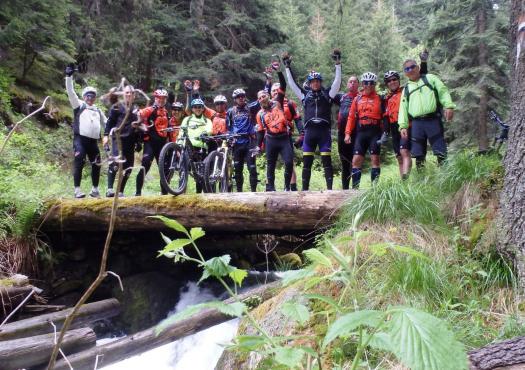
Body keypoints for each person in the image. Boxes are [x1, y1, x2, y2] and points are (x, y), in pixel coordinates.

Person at [283, 49, 342, 190]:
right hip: (310, 132)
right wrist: (287, 67)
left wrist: (338, 64)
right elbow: (292, 84)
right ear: (309, 84)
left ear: (320, 82)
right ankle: (304, 191)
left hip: (323, 132)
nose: (315, 83)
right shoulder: (304, 95)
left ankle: (330, 191)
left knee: (327, 162)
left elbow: (337, 82)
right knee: (307, 162)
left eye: (317, 81)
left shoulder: (328, 94)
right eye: (312, 82)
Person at [397, 59, 455, 167]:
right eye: (407, 69)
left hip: (433, 119)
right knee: (418, 154)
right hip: (417, 124)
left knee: (440, 150)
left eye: (412, 67)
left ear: (418, 67)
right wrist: (403, 126)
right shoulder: (406, 89)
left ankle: (446, 176)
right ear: (405, 73)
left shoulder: (430, 78)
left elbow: (443, 91)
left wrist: (449, 105)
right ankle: (422, 179)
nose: (410, 70)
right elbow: (403, 108)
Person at [65, 65, 107, 198]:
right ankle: (77, 190)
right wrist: (69, 76)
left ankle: (95, 190)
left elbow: (107, 123)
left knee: (97, 164)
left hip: (93, 142)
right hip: (80, 140)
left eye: (93, 96)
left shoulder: (98, 110)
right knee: (79, 160)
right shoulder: (79, 105)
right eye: (88, 96)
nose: (90, 98)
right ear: (84, 96)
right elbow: (70, 92)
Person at [264, 62, 304, 191]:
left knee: (289, 162)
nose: (276, 92)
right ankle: (269, 187)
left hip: (286, 135)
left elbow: (298, 120)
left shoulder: (290, 104)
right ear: (270, 93)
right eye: (273, 91)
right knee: (270, 164)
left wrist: (302, 134)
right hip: (271, 136)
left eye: (277, 90)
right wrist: (268, 80)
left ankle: (291, 187)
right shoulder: (266, 106)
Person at [344, 72, 385, 189]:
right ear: (362, 84)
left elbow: (386, 117)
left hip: (375, 132)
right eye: (366, 83)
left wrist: (385, 133)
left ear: (375, 84)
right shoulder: (357, 99)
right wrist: (347, 133)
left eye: (371, 83)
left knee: (375, 160)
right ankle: (355, 190)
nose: (369, 85)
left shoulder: (380, 98)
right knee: (356, 160)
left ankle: (374, 190)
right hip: (361, 132)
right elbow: (351, 117)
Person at [103, 85, 140, 197]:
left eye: (131, 93)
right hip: (118, 139)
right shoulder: (117, 106)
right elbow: (110, 122)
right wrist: (105, 136)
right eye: (127, 92)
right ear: (123, 94)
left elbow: (138, 126)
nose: (129, 94)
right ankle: (109, 189)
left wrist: (138, 141)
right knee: (115, 163)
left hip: (131, 141)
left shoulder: (136, 109)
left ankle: (120, 191)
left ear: (134, 95)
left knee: (129, 167)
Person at [255, 90, 294, 191]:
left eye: (263, 96)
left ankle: (287, 187)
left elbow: (283, 86)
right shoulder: (259, 114)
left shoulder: (278, 103)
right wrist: (258, 146)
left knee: (289, 162)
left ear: (268, 96)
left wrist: (279, 73)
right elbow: (260, 131)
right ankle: (271, 188)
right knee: (270, 165)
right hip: (271, 140)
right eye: (259, 98)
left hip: (284, 138)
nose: (262, 99)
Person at [135, 88, 171, 196]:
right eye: (159, 98)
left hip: (162, 144)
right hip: (150, 142)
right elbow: (138, 114)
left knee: (165, 169)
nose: (161, 100)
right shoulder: (150, 109)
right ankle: (137, 193)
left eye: (163, 98)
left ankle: (164, 194)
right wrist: (142, 126)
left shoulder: (166, 112)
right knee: (145, 164)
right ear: (155, 98)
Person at [226, 88, 260, 192]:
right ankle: (239, 193)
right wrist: (231, 137)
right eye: (238, 97)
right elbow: (229, 127)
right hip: (237, 143)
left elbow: (262, 98)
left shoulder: (250, 108)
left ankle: (254, 192)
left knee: (252, 168)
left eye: (242, 96)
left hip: (250, 142)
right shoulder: (230, 111)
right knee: (237, 169)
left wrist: (268, 81)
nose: (241, 98)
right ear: (235, 99)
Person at [179, 98, 213, 193]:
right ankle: (180, 192)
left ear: (203, 108)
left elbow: (209, 130)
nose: (197, 109)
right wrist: (179, 145)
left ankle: (199, 193)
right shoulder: (187, 119)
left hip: (201, 148)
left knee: (201, 173)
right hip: (188, 147)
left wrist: (205, 134)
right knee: (184, 169)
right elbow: (182, 132)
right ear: (192, 109)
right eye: (195, 107)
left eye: (200, 107)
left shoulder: (207, 121)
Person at [383, 71, 411, 179]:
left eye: (394, 79)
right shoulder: (387, 98)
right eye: (389, 81)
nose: (392, 82)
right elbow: (385, 116)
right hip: (393, 128)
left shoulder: (405, 91)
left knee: (404, 151)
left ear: (398, 80)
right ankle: (403, 182)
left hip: (405, 125)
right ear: (387, 84)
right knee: (399, 157)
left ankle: (405, 179)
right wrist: (385, 132)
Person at [334, 75, 359, 189]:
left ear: (358, 84)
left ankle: (355, 189)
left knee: (355, 162)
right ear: (347, 84)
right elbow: (327, 93)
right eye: (350, 82)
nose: (352, 83)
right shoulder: (341, 97)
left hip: (356, 134)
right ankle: (345, 190)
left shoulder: (360, 97)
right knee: (345, 163)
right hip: (341, 134)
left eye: (355, 82)